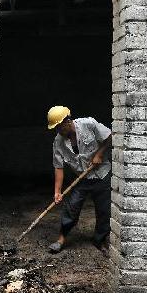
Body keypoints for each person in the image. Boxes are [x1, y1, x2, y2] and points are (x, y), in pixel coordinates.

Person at [46, 105, 112, 253]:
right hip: (81, 178)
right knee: (72, 207)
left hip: (102, 174)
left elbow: (110, 136)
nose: (58, 131)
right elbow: (58, 167)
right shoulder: (58, 141)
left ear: (68, 121)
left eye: (59, 127)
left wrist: (100, 154)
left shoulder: (88, 124)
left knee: (104, 210)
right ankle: (61, 239)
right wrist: (57, 192)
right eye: (55, 128)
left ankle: (99, 240)